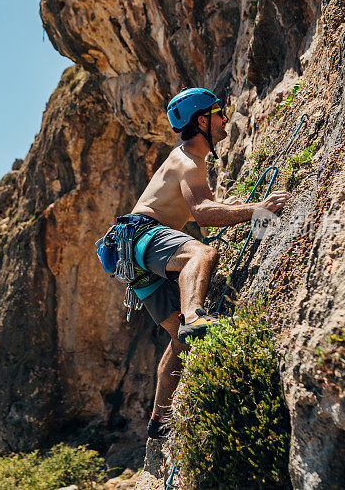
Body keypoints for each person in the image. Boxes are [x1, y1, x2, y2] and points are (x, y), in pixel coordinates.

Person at [113, 88, 289, 438]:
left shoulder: (185, 160)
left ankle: (158, 420)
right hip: (142, 236)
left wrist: (233, 206)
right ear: (202, 120)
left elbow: (202, 206)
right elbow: (204, 214)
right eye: (219, 112)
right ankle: (193, 315)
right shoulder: (188, 161)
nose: (225, 118)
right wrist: (257, 209)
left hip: (130, 252)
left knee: (180, 341)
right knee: (202, 254)